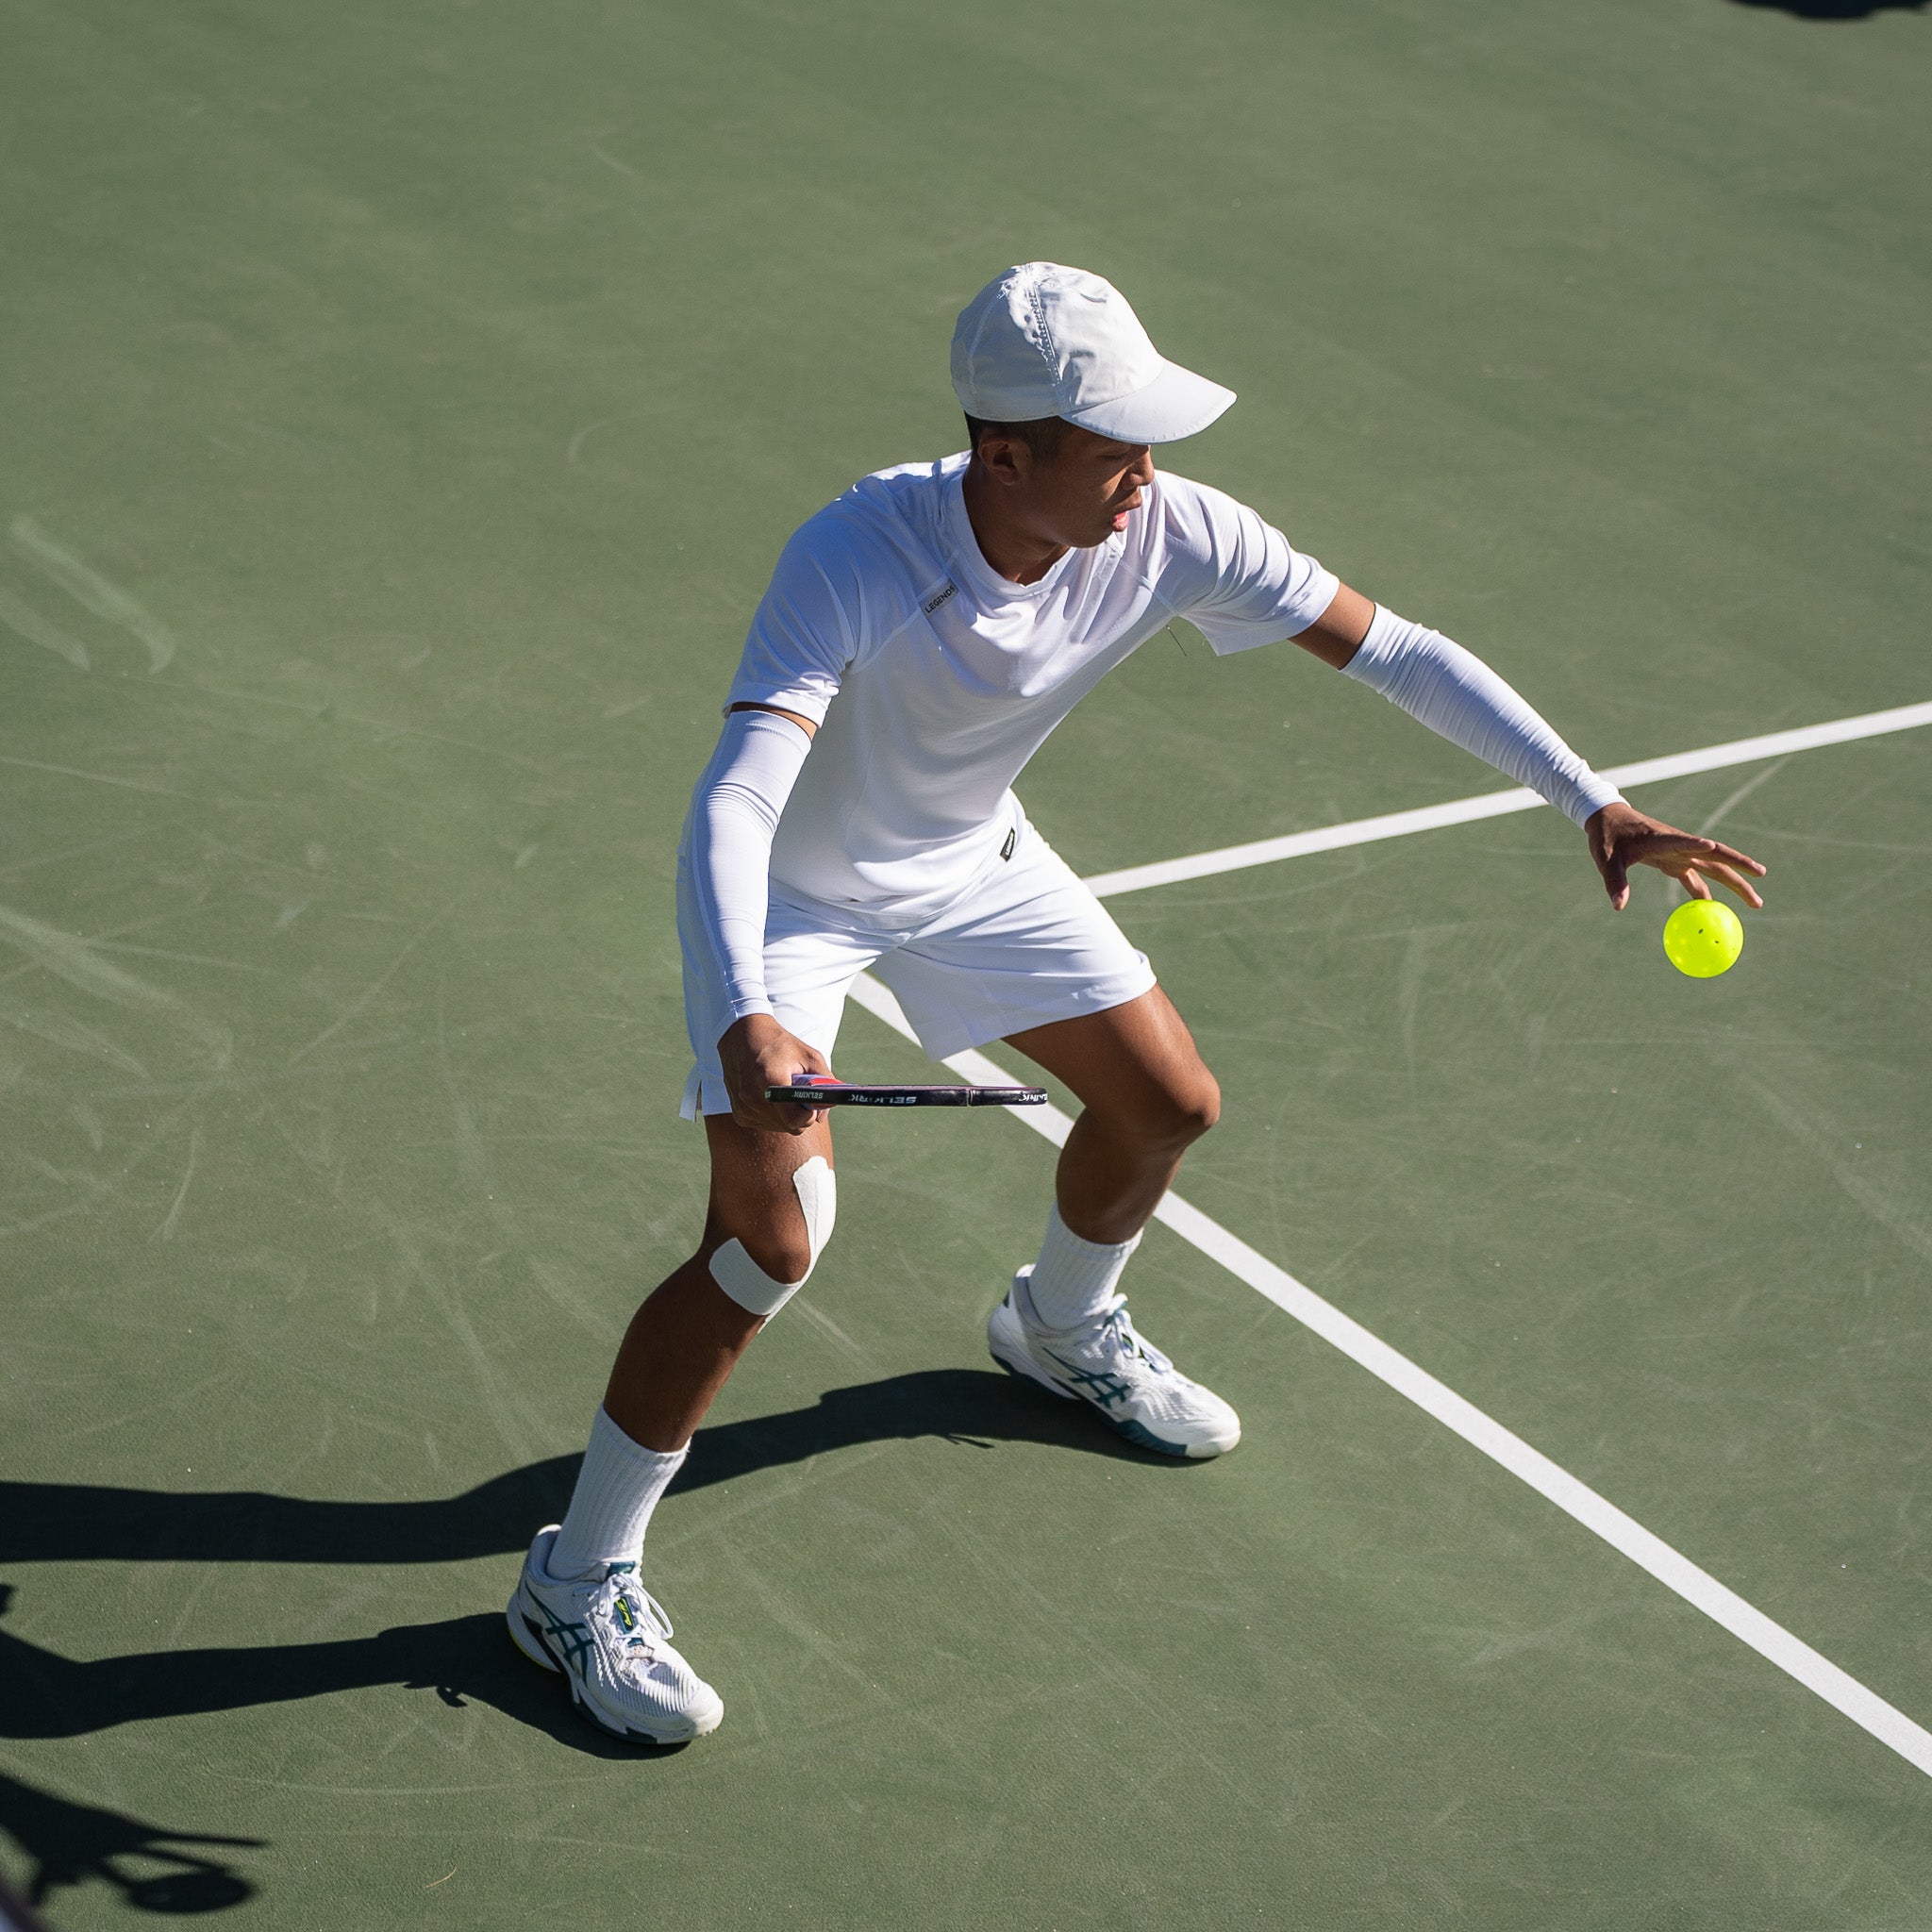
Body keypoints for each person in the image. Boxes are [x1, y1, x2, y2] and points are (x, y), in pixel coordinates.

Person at [506, 262, 1767, 1744]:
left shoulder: (1169, 529)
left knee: (1168, 1103)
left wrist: (1591, 802)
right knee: (774, 1238)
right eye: (1115, 449)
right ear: (1005, 456)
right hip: (792, 901)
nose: (1146, 476)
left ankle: (1056, 1325)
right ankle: (571, 1583)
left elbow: (1398, 649)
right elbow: (736, 802)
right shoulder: (856, 551)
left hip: (971, 864)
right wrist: (742, 1014)